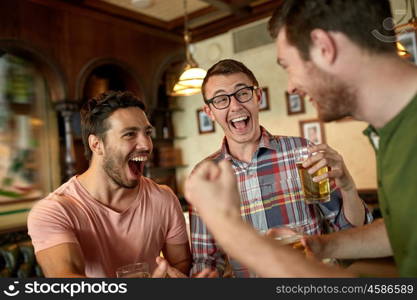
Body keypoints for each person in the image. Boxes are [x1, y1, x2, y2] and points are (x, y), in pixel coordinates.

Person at [186, 0, 417, 277]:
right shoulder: (388, 134)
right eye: (222, 100)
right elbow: (400, 230)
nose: (291, 87)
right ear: (209, 111)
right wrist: (318, 246)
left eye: (287, 65)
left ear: (324, 47)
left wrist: (233, 233)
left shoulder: (404, 133)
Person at [190, 59, 372, 277]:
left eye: (243, 93)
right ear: (209, 112)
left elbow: (350, 231)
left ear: (258, 97)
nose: (235, 106)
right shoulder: (204, 177)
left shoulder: (303, 152)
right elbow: (206, 260)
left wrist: (349, 188)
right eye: (221, 99)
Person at [27, 91, 192, 277]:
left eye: (147, 133)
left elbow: (181, 262)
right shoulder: (54, 210)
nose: (146, 144)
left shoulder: (163, 198)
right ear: (97, 144)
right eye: (130, 134)